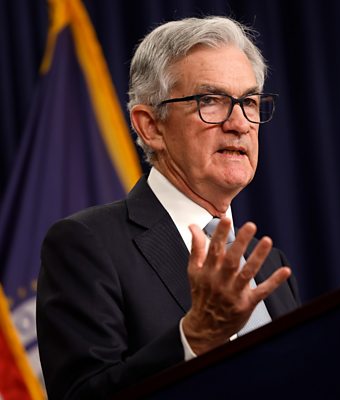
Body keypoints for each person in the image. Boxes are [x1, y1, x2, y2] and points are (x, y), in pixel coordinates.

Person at [37, 16, 301, 400]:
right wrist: (194, 339)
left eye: (248, 102)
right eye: (210, 101)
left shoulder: (270, 264)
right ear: (150, 126)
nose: (239, 123)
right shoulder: (88, 244)